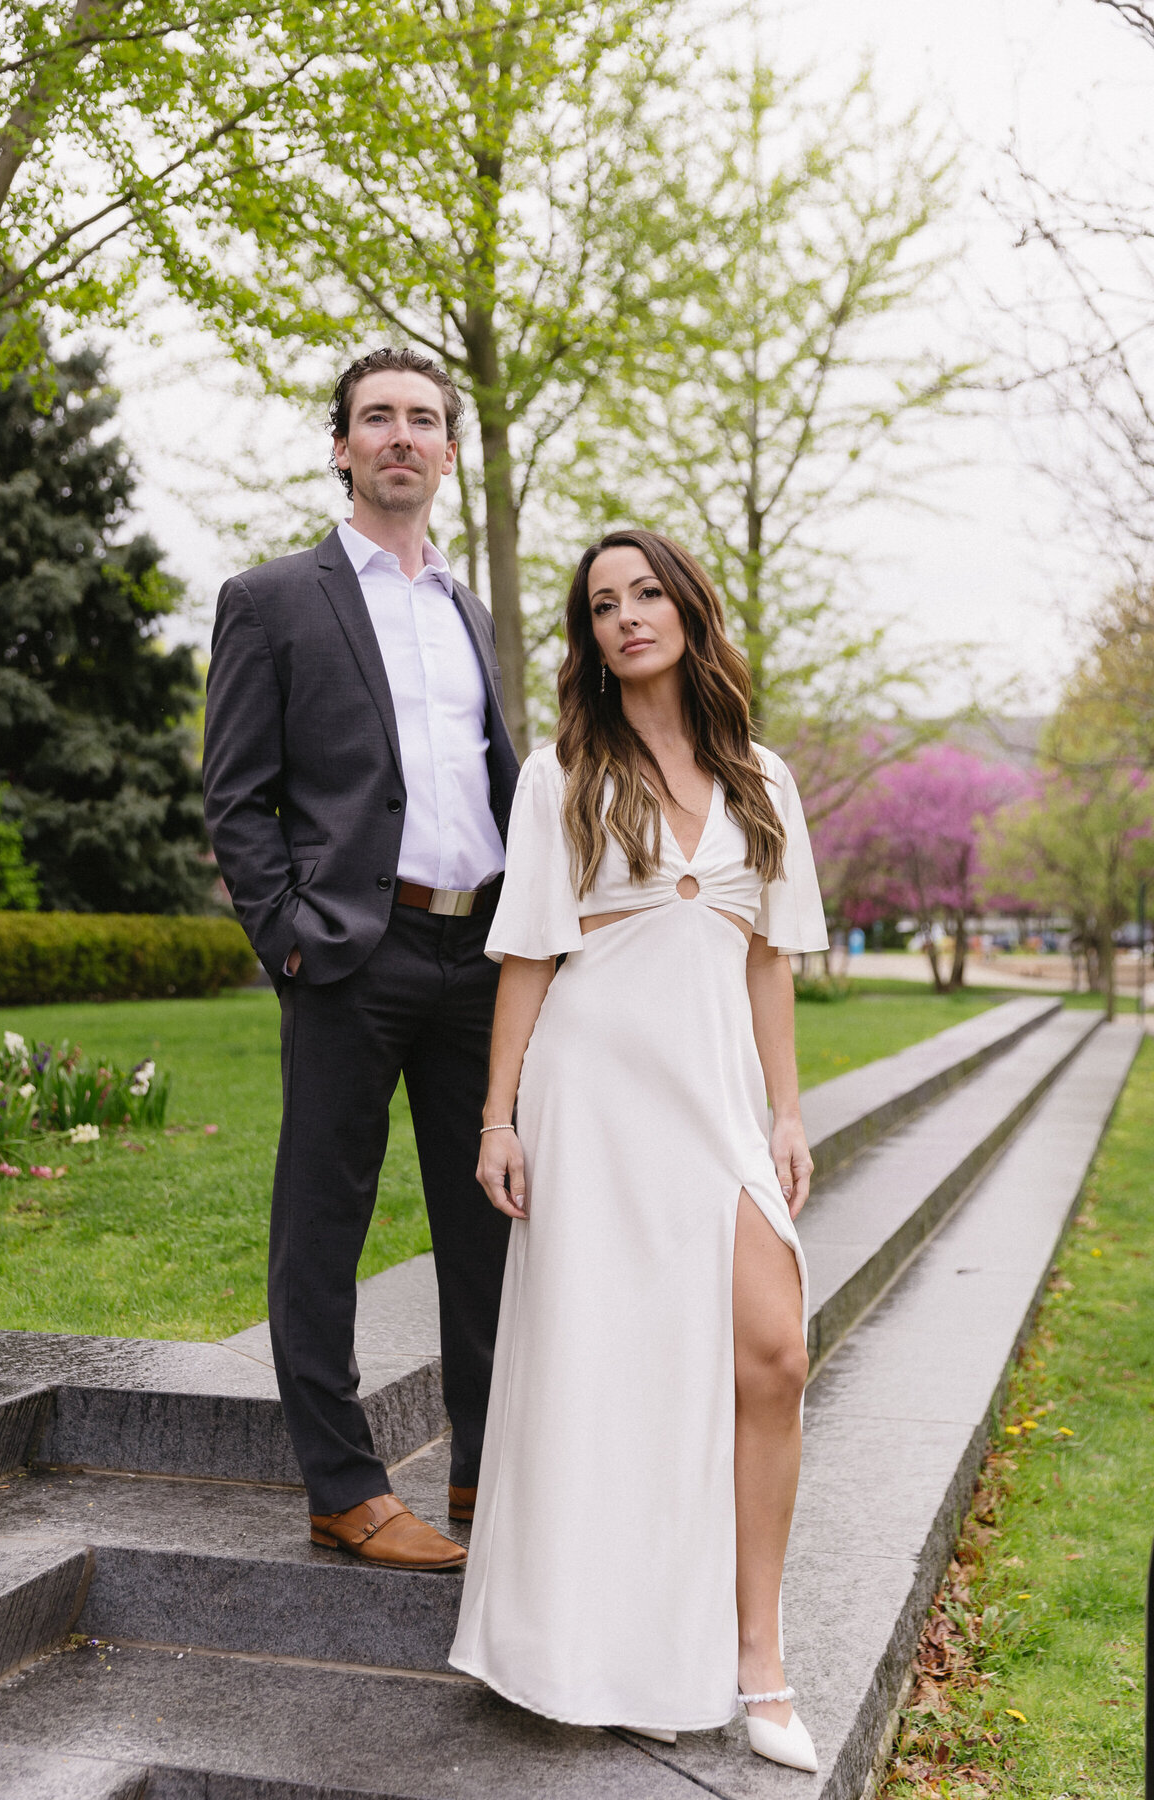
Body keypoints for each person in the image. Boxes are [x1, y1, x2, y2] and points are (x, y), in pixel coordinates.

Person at [449, 529, 828, 1769]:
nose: (626, 617)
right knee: (602, 1377)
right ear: (590, 635)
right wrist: (500, 1117)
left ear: (687, 608)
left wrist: (783, 1109)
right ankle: (587, 1644)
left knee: (774, 1349)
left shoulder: (763, 776)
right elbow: (527, 957)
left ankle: (757, 1658)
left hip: (716, 1098)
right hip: (595, 1095)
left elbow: (767, 956)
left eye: (646, 593)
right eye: (602, 604)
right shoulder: (562, 773)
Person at [203, 347, 518, 1571]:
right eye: (376, 418)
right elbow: (238, 799)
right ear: (341, 447)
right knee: (322, 1223)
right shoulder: (274, 599)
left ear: (448, 453)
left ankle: (490, 1475)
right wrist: (290, 938)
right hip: (349, 950)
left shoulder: (469, 609)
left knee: (490, 1220)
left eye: (423, 420)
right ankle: (344, 1488)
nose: (401, 436)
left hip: (480, 949)